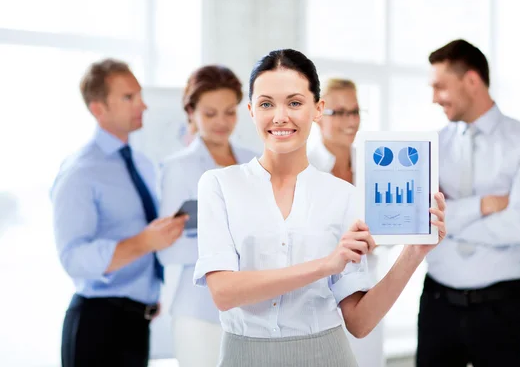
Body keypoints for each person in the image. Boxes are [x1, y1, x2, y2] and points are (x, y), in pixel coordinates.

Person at [193, 49, 447, 367]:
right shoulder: (219, 185)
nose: (280, 116)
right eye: (266, 103)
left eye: (295, 103)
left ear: (317, 109)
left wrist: (414, 253)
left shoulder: (345, 196)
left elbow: (360, 322)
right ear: (251, 110)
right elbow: (224, 292)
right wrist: (327, 265)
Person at [417, 39, 520, 367]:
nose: (434, 98)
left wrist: (448, 221)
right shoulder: (430, 145)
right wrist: (483, 205)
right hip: (437, 305)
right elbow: (421, 221)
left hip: (500, 309)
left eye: (440, 86)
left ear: (472, 81)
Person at [51, 59, 188, 367]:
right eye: (129, 97)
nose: (142, 105)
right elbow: (72, 258)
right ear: (98, 108)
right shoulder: (80, 172)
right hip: (96, 325)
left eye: (139, 95)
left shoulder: (142, 163)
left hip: (138, 323)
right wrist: (144, 242)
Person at [157, 65, 258, 367]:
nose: (222, 122)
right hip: (200, 315)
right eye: (210, 114)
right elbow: (168, 248)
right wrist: (229, 249)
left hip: (252, 310)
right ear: (191, 112)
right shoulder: (178, 168)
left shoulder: (254, 160)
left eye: (230, 112)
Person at [308, 77, 384, 367]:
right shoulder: (305, 169)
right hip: (319, 295)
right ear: (317, 115)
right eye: (338, 112)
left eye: (354, 111)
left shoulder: (374, 166)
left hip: (368, 289)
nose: (350, 120)